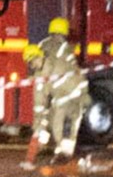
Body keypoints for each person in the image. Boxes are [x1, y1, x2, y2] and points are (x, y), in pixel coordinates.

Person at [31, 18, 90, 164]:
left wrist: (39, 125)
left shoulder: (43, 46)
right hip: (70, 91)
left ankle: (64, 153)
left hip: (68, 92)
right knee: (65, 122)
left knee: (60, 121)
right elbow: (75, 72)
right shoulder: (65, 49)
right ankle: (63, 151)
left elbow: (40, 97)